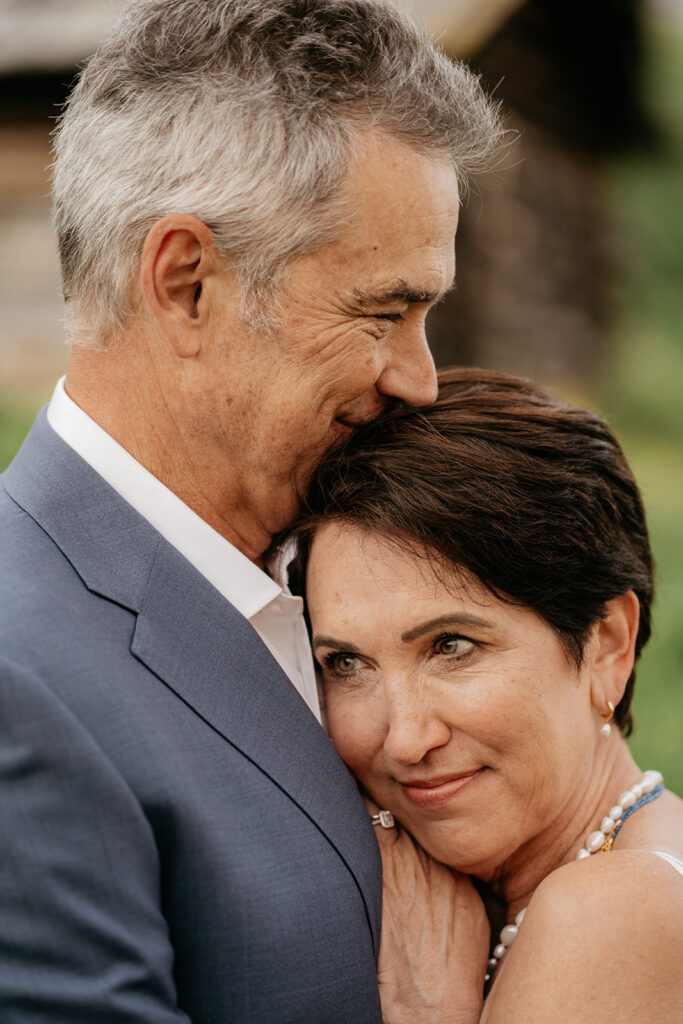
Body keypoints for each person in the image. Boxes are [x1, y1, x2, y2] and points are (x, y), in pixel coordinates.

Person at [0, 3, 501, 1021]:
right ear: (185, 284)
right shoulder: (21, 679)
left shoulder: (348, 568)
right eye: (383, 311)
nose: (420, 380)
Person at [293, 367, 683, 1024]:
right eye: (347, 663)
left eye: (451, 646)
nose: (405, 738)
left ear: (606, 644)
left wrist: (426, 1011)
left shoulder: (612, 912)